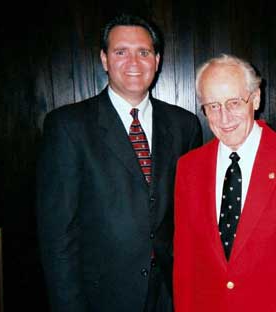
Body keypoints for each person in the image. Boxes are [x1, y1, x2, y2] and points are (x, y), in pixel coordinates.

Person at [36, 13, 202, 312]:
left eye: (144, 52)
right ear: (104, 59)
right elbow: (57, 235)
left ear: (157, 59)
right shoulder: (68, 126)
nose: (134, 62)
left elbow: (190, 216)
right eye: (120, 52)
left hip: (170, 292)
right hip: (101, 296)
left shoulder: (184, 125)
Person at [173, 54, 276, 311]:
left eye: (234, 102)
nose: (224, 118)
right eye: (213, 106)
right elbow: (185, 263)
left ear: (256, 98)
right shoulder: (189, 167)